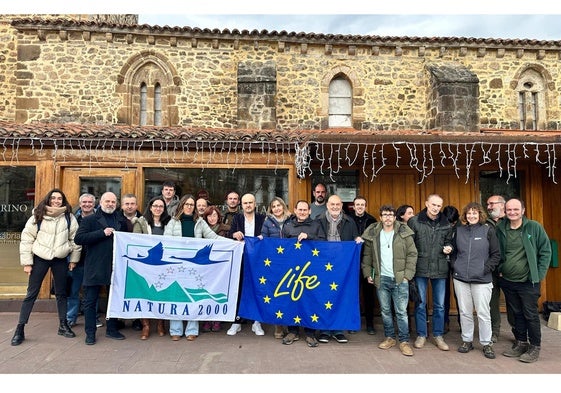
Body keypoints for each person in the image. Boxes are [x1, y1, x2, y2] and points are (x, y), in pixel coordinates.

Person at [11, 188, 81, 346]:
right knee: (31, 294)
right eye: (53, 198)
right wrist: (27, 263)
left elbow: (75, 240)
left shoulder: (69, 217)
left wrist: (73, 260)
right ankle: (20, 328)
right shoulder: (38, 215)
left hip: (60, 259)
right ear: (48, 199)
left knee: (62, 293)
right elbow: (27, 238)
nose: (56, 201)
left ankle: (63, 325)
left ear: (63, 201)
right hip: (40, 258)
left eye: (59, 199)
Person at [164, 194, 230, 341]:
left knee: (193, 296)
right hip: (177, 265)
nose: (189, 207)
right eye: (187, 204)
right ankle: (175, 329)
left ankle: (192, 329)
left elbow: (213, 237)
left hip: (194, 266)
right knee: (177, 296)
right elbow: (166, 240)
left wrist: (232, 243)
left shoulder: (199, 222)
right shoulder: (173, 222)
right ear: (182, 205)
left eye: (191, 205)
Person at [495, 198, 551, 363]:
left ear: (523, 210)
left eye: (516, 209)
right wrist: (499, 269)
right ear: (505, 211)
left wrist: (538, 274)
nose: (512, 212)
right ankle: (520, 343)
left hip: (528, 282)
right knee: (516, 314)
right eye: (509, 210)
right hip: (508, 280)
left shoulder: (533, 227)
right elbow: (496, 251)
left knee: (530, 314)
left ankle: (535, 346)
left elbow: (545, 251)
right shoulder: (501, 228)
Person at [361, 204, 417, 356]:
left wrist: (407, 275)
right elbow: (367, 256)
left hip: (399, 279)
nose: (387, 218)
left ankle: (404, 341)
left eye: (390, 215)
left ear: (394, 217)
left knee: (401, 312)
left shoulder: (403, 232)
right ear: (380, 217)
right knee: (385, 311)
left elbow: (412, 254)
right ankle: (390, 337)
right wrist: (368, 273)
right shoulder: (374, 233)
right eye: (385, 215)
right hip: (382, 279)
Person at [74, 191, 130, 345]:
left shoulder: (121, 220)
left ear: (116, 204)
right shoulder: (90, 219)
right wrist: (101, 233)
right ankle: (90, 333)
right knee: (90, 301)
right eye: (107, 201)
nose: (110, 204)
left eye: (113, 202)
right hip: (95, 266)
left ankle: (112, 329)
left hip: (115, 266)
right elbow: (78, 239)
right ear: (101, 202)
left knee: (113, 299)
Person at [451, 202, 500, 359]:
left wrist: (484, 270)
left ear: (480, 215)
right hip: (461, 279)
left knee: (483, 313)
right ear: (465, 216)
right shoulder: (458, 231)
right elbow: (452, 252)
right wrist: (455, 266)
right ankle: (467, 340)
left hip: (482, 279)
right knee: (465, 312)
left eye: (475, 213)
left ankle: (487, 344)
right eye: (469, 213)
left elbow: (496, 254)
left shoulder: (488, 230)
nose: (471, 216)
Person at [407, 194, 454, 351]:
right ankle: (421, 334)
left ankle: (438, 335)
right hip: (420, 267)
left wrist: (449, 248)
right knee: (420, 304)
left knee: (439, 305)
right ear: (426, 203)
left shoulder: (446, 223)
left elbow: (449, 242)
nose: (436, 208)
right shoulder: (414, 221)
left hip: (440, 269)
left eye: (439, 206)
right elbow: (409, 245)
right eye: (433, 204)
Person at [279, 200, 326, 348]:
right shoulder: (287, 226)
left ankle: (310, 333)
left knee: (310, 300)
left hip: (311, 272)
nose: (302, 212)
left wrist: (309, 237)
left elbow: (324, 243)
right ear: (295, 210)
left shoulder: (316, 225)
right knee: (292, 299)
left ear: (309, 211)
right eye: (300, 209)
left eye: (305, 210)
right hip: (292, 271)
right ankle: (292, 331)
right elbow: (280, 247)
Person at [316, 194, 361, 344]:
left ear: (341, 206)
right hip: (323, 265)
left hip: (342, 266)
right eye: (332, 204)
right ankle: (324, 329)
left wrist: (357, 241)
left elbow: (355, 238)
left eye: (337, 205)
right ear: (327, 206)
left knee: (341, 295)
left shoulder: (350, 222)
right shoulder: (319, 220)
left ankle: (338, 329)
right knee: (324, 295)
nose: (335, 207)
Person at [227, 193, 266, 336]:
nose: (248, 205)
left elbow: (268, 235)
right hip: (241, 259)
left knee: (257, 288)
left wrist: (263, 237)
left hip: (258, 259)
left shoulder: (262, 218)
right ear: (241, 205)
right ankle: (236, 321)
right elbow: (230, 234)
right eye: (245, 203)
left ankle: (256, 322)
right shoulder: (237, 218)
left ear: (255, 204)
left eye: (250, 202)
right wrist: (234, 234)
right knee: (239, 288)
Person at [132, 196, 171, 340]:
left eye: (161, 206)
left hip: (162, 265)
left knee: (161, 293)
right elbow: (136, 241)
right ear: (150, 207)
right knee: (145, 293)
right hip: (146, 265)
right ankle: (146, 325)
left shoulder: (169, 223)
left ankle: (161, 323)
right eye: (155, 206)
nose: (158, 208)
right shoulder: (141, 222)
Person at [260, 196, 292, 339]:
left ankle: (289, 325)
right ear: (271, 209)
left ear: (283, 206)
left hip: (290, 262)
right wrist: (260, 239)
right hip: (274, 264)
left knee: (290, 293)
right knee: (277, 293)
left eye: (279, 205)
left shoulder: (292, 220)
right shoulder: (267, 222)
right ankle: (278, 326)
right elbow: (264, 239)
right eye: (274, 206)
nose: (277, 208)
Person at [66, 193, 96, 328]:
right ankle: (70, 317)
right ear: (80, 203)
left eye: (90, 202)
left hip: (93, 260)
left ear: (94, 204)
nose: (87, 204)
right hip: (75, 259)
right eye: (84, 202)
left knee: (92, 291)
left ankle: (94, 318)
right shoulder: (72, 218)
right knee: (73, 290)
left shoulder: (99, 218)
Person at [349, 196, 377, 335]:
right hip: (351, 262)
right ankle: (353, 323)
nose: (360, 207)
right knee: (353, 293)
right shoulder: (347, 220)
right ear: (353, 206)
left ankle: (370, 324)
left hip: (368, 261)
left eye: (362, 204)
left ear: (366, 206)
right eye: (357, 204)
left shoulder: (372, 221)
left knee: (368, 294)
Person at [200, 205, 230, 332]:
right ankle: (207, 319)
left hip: (220, 266)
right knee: (205, 291)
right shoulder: (201, 229)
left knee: (218, 291)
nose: (212, 218)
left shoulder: (227, 229)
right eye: (209, 216)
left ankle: (217, 319)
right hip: (205, 266)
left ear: (219, 217)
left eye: (214, 215)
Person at [120, 193, 143, 331]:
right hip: (120, 260)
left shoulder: (143, 220)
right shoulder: (115, 219)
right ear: (122, 205)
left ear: (136, 205)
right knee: (121, 288)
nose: (130, 206)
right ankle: (120, 318)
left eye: (132, 204)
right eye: (127, 204)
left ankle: (137, 319)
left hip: (138, 262)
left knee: (137, 288)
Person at [486, 195, 507, 343]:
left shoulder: (512, 221)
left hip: (509, 270)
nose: (488, 207)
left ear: (501, 205)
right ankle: (495, 332)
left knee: (514, 304)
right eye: (488, 204)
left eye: (491, 204)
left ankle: (519, 334)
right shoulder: (484, 223)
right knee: (492, 303)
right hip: (491, 270)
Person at [442, 205, 460, 334]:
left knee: (460, 295)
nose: (450, 225)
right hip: (442, 263)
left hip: (458, 264)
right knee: (444, 295)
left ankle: (462, 322)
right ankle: (444, 322)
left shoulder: (461, 228)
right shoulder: (440, 225)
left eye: (453, 222)